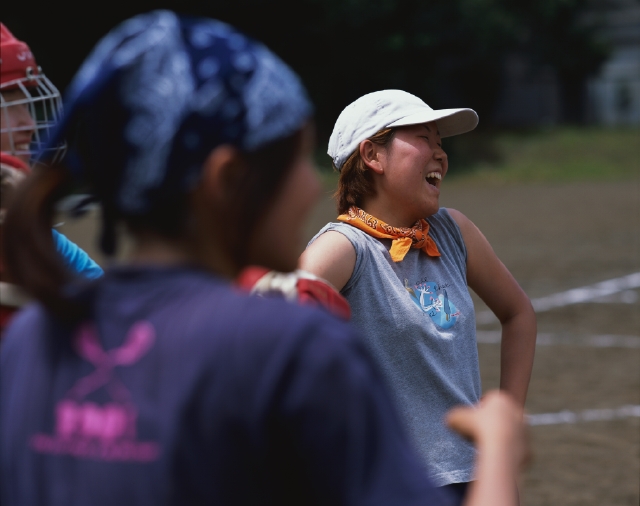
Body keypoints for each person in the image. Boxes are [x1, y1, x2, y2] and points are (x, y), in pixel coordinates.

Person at [1, 12, 528, 506]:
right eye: (294, 160)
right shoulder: (284, 347)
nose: (308, 186)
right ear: (227, 180)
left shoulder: (33, 335)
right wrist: (499, 443)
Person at [299, 90, 537, 499]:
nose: (441, 154)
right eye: (424, 138)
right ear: (373, 155)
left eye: (441, 143)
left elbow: (519, 314)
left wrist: (506, 425)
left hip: (473, 475)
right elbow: (269, 323)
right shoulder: (347, 247)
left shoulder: (452, 231)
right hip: (396, 485)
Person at [0, 22, 102, 332]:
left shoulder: (40, 237)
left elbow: (116, 312)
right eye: (6, 103)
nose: (28, 124)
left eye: (25, 103)